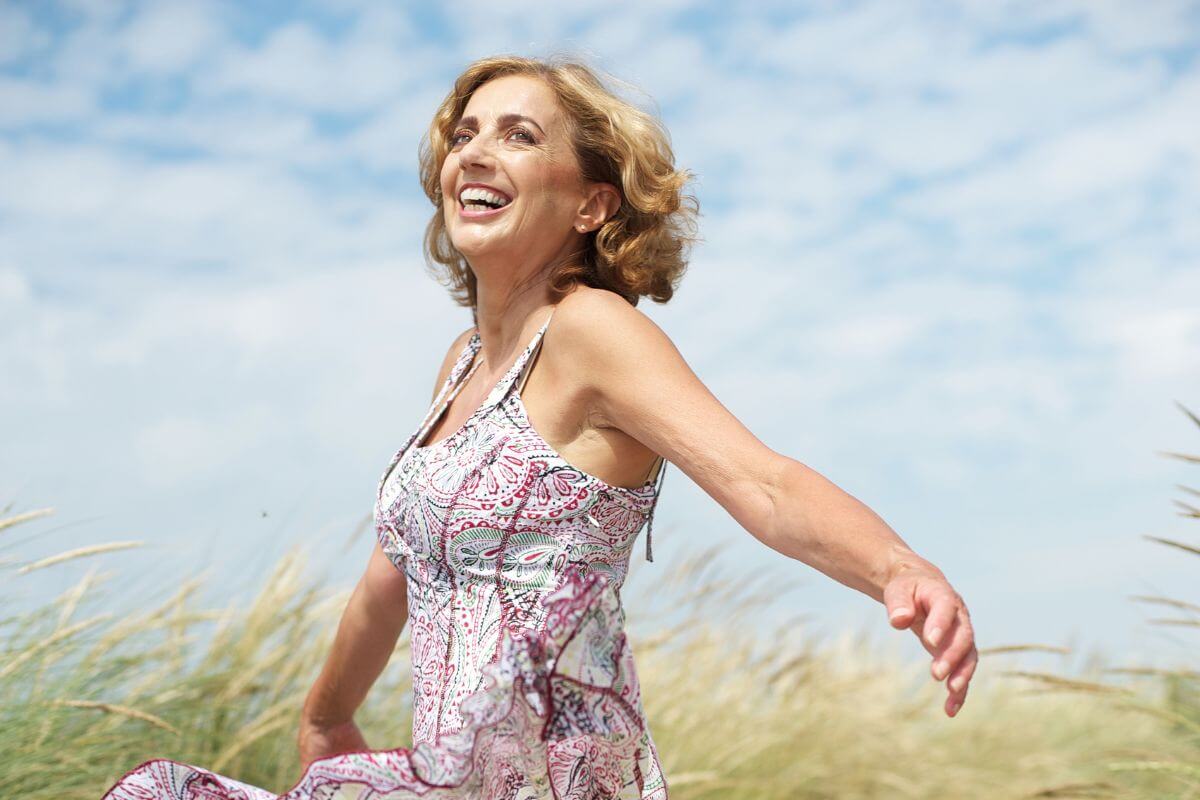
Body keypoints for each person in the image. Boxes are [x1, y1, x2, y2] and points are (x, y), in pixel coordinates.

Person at [102, 54, 977, 800]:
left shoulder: (592, 331)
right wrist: (326, 715)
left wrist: (895, 566)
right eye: (466, 134)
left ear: (593, 206)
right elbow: (393, 572)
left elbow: (763, 482)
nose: (476, 152)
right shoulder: (459, 364)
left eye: (519, 135)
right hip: (455, 773)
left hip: (557, 774)